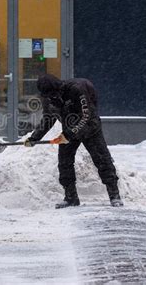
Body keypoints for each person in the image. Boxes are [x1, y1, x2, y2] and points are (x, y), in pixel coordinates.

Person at [24, 74, 123, 208]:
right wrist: (34, 138)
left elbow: (86, 116)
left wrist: (69, 134)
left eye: (54, 94)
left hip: (90, 127)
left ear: (59, 88)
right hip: (68, 128)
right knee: (64, 163)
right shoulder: (47, 98)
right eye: (49, 96)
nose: (53, 98)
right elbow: (48, 118)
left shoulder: (77, 89)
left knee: (102, 159)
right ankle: (71, 197)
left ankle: (114, 195)